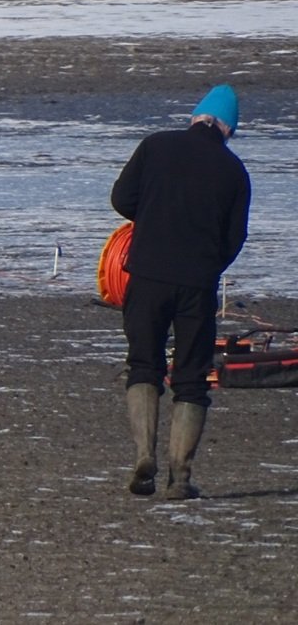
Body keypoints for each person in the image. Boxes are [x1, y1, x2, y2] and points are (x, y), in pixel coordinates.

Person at [111, 84, 251, 500]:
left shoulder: (156, 146)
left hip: (147, 277)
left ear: (195, 118)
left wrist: (153, 219)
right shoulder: (234, 171)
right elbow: (234, 239)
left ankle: (143, 457)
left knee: (143, 365)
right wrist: (207, 266)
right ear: (227, 130)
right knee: (191, 380)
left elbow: (121, 199)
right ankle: (181, 477)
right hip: (197, 285)